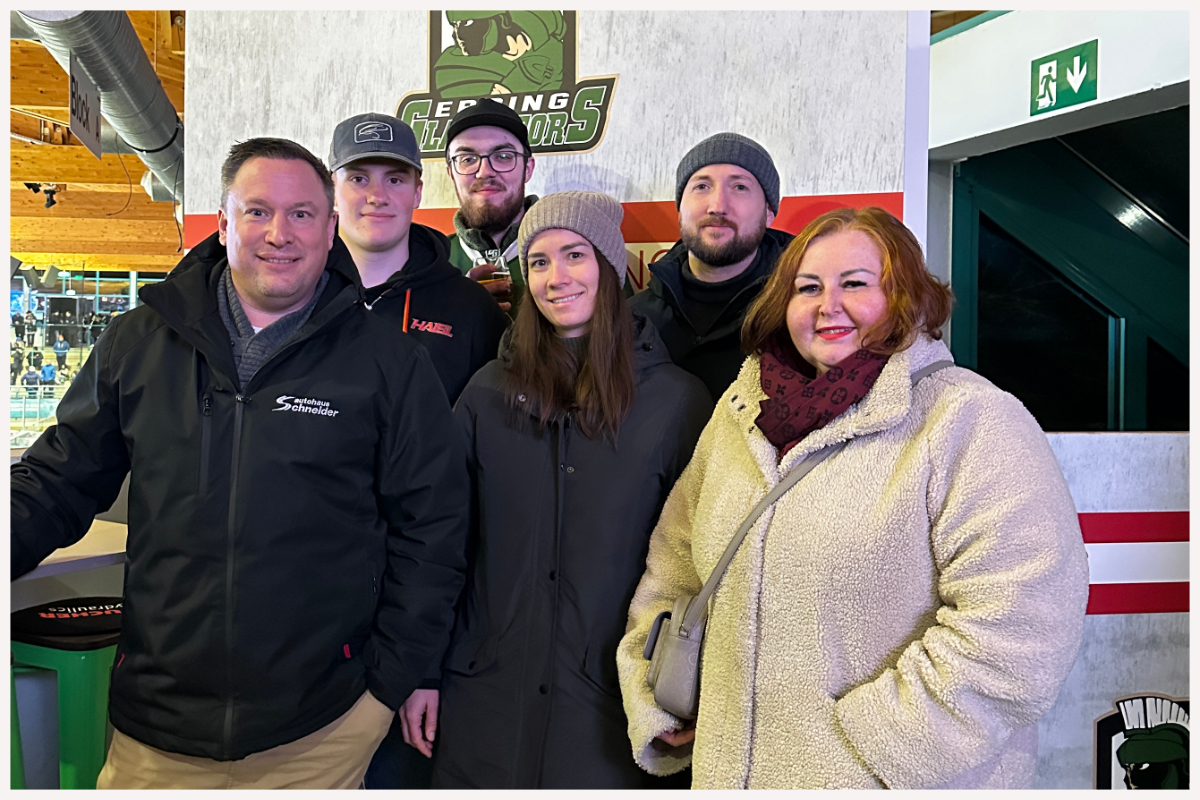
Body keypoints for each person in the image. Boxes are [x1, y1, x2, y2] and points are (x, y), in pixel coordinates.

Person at [11, 137, 471, 790]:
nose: (279, 233)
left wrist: (390, 682)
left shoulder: (387, 364)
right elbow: (56, 480)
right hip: (158, 728)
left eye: (303, 214)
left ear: (329, 227)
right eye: (257, 212)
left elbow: (434, 526)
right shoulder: (140, 344)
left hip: (322, 730)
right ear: (222, 223)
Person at [617, 207, 1090, 790]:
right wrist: (657, 693)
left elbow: (1022, 626)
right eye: (807, 287)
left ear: (908, 296)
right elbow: (673, 566)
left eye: (856, 284)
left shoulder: (968, 419)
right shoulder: (739, 415)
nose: (826, 305)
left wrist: (871, 745)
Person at [409, 192, 712, 789]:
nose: (555, 278)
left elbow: (702, 571)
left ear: (610, 264)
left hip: (613, 711)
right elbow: (439, 542)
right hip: (485, 701)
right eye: (539, 262)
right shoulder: (486, 393)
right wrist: (421, 671)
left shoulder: (677, 403)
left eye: (574, 254)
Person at [328, 112, 508, 405]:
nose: (377, 196)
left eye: (395, 179)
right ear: (332, 191)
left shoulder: (471, 308)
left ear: (417, 193)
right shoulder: (293, 291)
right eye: (359, 178)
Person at [630, 132, 794, 402]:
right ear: (680, 208)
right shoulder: (632, 320)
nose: (717, 206)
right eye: (702, 187)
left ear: (768, 212)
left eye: (739, 187)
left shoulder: (800, 315)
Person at [444, 99, 538, 316]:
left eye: (503, 156)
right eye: (467, 159)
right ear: (451, 174)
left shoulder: (579, 252)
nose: (484, 171)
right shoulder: (429, 264)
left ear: (528, 169)